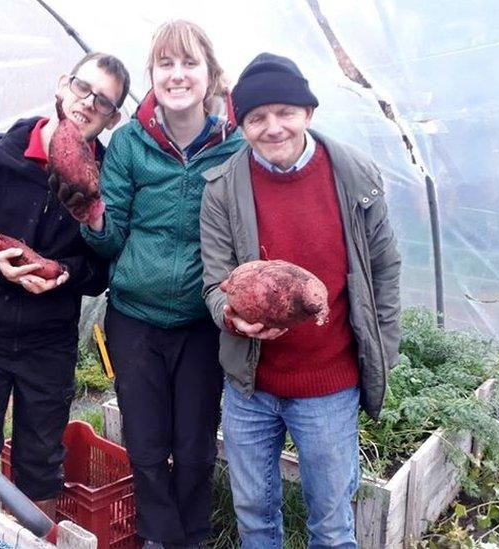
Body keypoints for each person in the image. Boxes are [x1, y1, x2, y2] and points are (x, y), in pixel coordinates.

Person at [199, 53, 401, 547]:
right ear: (240, 124)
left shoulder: (356, 176)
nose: (273, 128)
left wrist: (383, 350)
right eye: (255, 118)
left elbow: (385, 270)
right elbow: (213, 283)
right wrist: (230, 317)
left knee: (331, 524)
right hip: (251, 385)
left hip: (328, 383)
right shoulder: (223, 189)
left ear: (308, 112)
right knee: (253, 513)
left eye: (284, 112)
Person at [73, 20, 243, 547]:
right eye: (166, 64)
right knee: (146, 443)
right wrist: (93, 215)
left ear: (209, 74)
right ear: (153, 74)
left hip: (200, 322)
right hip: (135, 318)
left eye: (189, 63)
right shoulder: (128, 143)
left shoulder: (234, 146)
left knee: (194, 444)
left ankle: (191, 535)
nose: (177, 74)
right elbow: (111, 238)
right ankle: (155, 534)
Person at [0, 52, 130, 518]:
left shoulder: (106, 183)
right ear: (63, 85)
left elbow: (105, 267)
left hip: (48, 341)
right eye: (83, 89)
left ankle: (30, 539)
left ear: (113, 118)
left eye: (103, 102)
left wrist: (65, 275)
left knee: (41, 462)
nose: (88, 103)